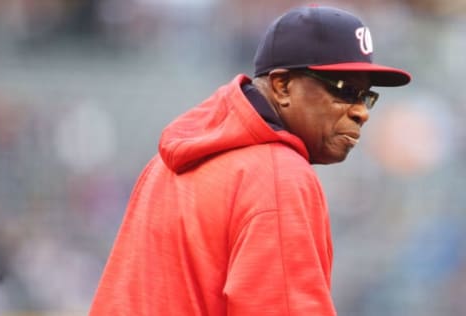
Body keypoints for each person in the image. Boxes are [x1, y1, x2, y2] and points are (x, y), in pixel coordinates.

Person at [89, 5, 411, 316]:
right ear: (282, 85)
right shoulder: (278, 176)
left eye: (366, 96)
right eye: (344, 90)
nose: (362, 112)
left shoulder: (165, 163)